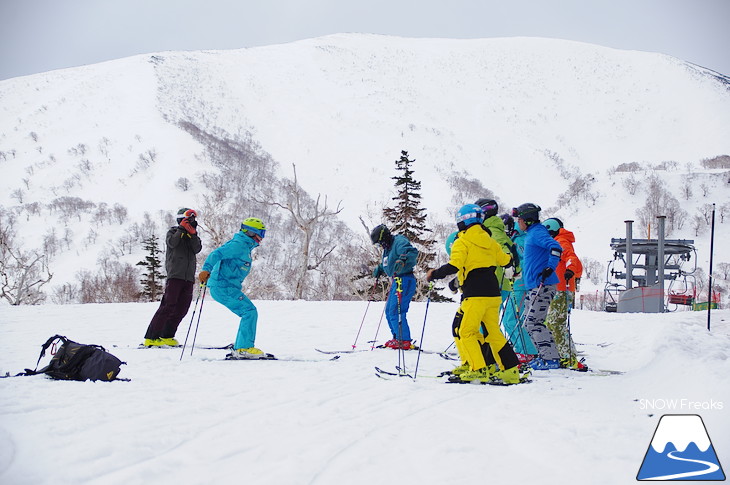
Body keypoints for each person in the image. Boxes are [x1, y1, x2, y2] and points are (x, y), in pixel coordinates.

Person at [427, 204, 522, 384]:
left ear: (462, 222)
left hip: (475, 293)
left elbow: (454, 265)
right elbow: (506, 260)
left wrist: (434, 273)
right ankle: (510, 371)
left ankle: (478, 369)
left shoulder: (462, 241)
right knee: (493, 332)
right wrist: (513, 265)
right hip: (493, 294)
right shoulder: (490, 241)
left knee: (466, 331)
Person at [198, 217, 267, 359]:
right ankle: (243, 348)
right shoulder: (239, 245)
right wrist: (206, 270)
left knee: (248, 311)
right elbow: (216, 254)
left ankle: (242, 346)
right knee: (249, 311)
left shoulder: (244, 246)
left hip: (228, 287)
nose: (262, 237)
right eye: (261, 233)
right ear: (251, 232)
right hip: (222, 287)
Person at [512, 203, 563, 370]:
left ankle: (551, 359)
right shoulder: (532, 233)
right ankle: (547, 356)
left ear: (527, 220)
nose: (518, 223)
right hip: (534, 285)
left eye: (519, 219)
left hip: (543, 284)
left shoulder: (538, 233)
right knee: (529, 322)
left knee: (533, 322)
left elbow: (556, 247)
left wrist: (550, 267)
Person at [143, 208, 202, 347]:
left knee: (182, 308)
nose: (191, 221)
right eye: (188, 218)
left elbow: (197, 248)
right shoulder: (173, 232)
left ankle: (167, 335)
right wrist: (182, 229)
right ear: (181, 219)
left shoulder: (193, 235)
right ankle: (151, 337)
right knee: (168, 306)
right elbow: (172, 243)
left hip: (188, 277)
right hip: (175, 275)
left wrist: (193, 234)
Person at [542, 218, 587, 371]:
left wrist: (570, 270)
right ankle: (566, 353)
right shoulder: (558, 240)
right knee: (553, 322)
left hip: (562, 288)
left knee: (555, 322)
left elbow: (571, 258)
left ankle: (567, 356)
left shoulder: (561, 241)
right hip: (558, 287)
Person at [370, 224, 419, 350]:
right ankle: (397, 338)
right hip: (396, 281)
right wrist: (380, 268)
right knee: (389, 311)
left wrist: (403, 259)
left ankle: (404, 340)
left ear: (384, 238)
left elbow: (411, 253)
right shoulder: (387, 248)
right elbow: (388, 262)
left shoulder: (399, 241)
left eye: (379, 243)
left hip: (405, 279)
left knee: (396, 311)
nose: (379, 246)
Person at [499, 213, 538, 360]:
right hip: (511, 284)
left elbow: (525, 262)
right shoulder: (514, 239)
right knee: (509, 319)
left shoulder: (520, 240)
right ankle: (522, 349)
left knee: (512, 319)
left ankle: (528, 351)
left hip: (520, 284)